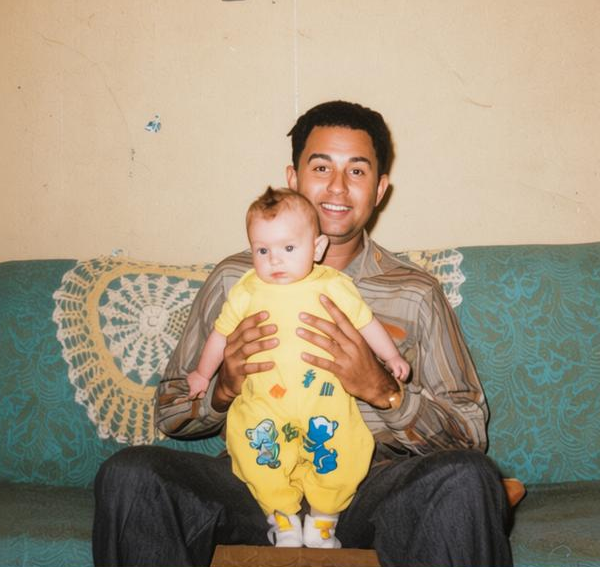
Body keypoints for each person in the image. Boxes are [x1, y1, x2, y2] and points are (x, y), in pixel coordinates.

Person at [93, 100, 513, 567]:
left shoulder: (415, 292)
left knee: (466, 477)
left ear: (379, 189)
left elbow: (469, 434)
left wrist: (385, 391)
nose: (337, 187)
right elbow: (171, 411)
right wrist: (223, 388)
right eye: (321, 167)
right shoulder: (236, 281)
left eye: (357, 171)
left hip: (371, 489)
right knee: (131, 475)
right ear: (293, 178)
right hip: (257, 482)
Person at [185, 186, 410, 548]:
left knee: (342, 453)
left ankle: (324, 520)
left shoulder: (332, 285)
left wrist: (392, 357)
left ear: (317, 248)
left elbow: (366, 324)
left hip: (323, 403)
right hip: (264, 406)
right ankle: (282, 519)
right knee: (258, 457)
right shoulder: (246, 289)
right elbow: (220, 335)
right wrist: (202, 373)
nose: (275, 260)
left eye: (288, 248)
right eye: (263, 250)